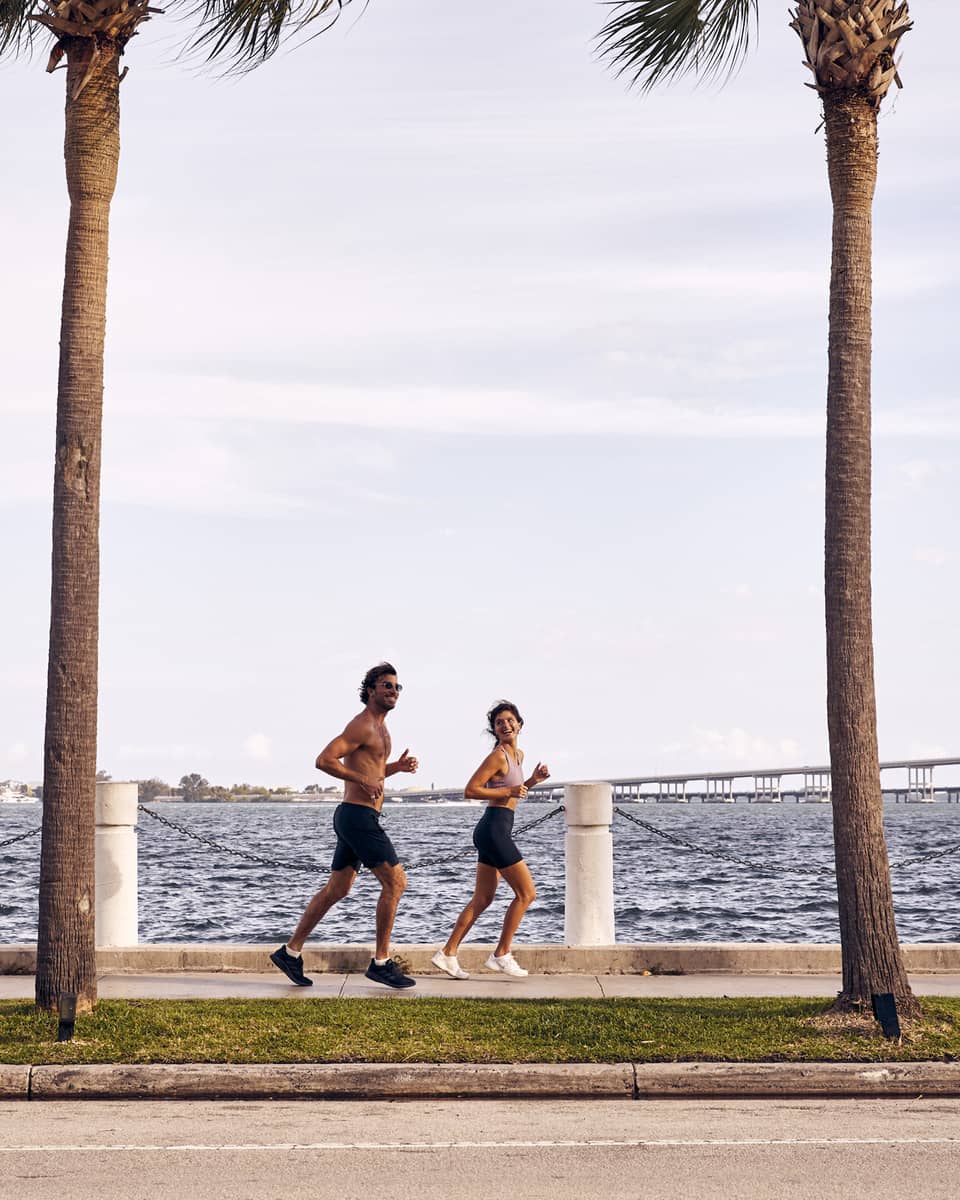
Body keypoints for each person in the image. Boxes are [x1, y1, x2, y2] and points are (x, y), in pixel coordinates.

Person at [270, 662, 419, 990]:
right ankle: (381, 963)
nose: (393, 691)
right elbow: (324, 760)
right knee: (396, 883)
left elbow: (372, 769)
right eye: (386, 686)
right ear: (370, 691)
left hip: (358, 816)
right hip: (357, 817)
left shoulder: (382, 729)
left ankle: (290, 952)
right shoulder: (362, 725)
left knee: (338, 889)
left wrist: (395, 767)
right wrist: (361, 778)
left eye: (397, 687)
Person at [432, 700, 549, 980]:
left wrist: (532, 780)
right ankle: (501, 954)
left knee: (483, 897)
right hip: (494, 829)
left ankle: (447, 954)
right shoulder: (498, 756)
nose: (506, 725)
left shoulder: (518, 755)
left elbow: (513, 791)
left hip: (496, 829)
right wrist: (510, 789)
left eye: (510, 720)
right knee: (526, 893)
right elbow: (470, 790)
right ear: (494, 730)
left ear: (520, 723)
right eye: (499, 723)